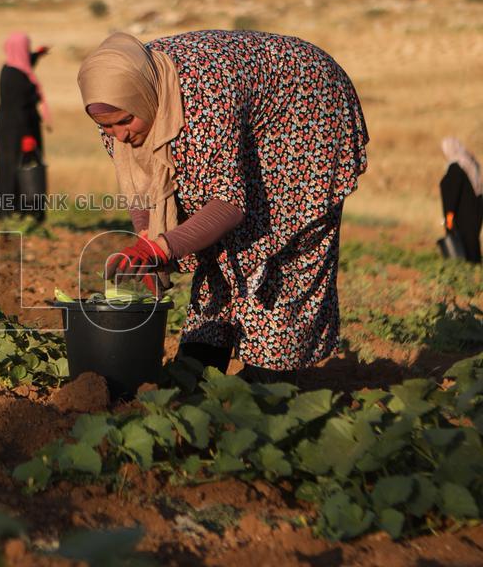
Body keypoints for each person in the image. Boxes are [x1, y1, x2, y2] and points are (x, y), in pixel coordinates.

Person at [77, 30, 369, 381]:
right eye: (106, 127)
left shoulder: (204, 101)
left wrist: (162, 247)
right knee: (214, 249)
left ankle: (269, 381)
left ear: (145, 98)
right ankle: (198, 367)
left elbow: (228, 204)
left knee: (279, 247)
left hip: (306, 104)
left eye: (125, 122)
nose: (119, 135)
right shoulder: (119, 104)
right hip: (248, 103)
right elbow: (142, 181)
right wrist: (147, 235)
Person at [0, 32, 50, 221]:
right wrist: (27, 136)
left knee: (19, 167)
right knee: (15, 167)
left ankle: (20, 212)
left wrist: (37, 54)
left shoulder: (12, 68)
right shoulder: (15, 75)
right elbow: (19, 107)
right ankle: (7, 212)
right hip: (18, 129)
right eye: (26, 48)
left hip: (12, 126)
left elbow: (26, 62)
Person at [438, 137, 482, 263]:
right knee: (472, 241)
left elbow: (452, 194)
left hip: (462, 214)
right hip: (475, 212)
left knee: (463, 243)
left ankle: (467, 268)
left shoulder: (456, 167)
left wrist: (449, 215)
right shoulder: (471, 164)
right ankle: (475, 268)